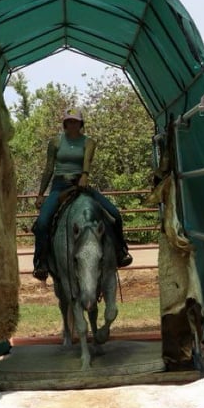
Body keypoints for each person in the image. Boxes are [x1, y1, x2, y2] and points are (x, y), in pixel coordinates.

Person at [32, 108, 133, 281]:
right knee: (42, 223)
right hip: (59, 186)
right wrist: (41, 194)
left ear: (81, 124)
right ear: (65, 123)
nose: (73, 124)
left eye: (76, 121)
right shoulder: (55, 142)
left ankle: (120, 251)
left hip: (81, 183)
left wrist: (84, 175)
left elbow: (87, 161)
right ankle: (40, 263)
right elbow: (49, 168)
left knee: (114, 214)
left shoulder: (89, 142)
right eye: (69, 121)